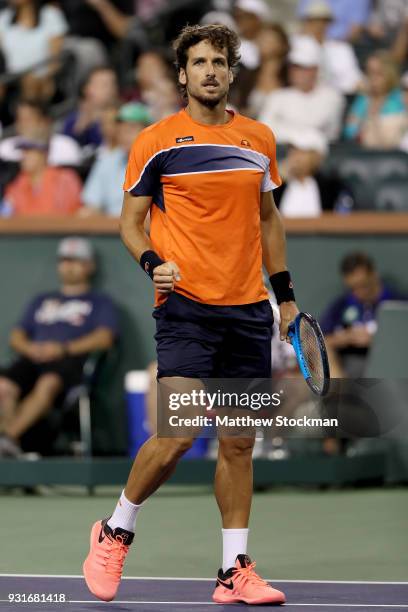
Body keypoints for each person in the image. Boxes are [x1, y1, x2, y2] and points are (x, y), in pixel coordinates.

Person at [83, 23, 299, 605]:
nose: (209, 70)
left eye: (219, 62)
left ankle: (234, 570)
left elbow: (269, 221)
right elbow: (130, 224)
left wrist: (286, 297)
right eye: (199, 61)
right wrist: (153, 261)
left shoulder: (258, 139)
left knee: (237, 443)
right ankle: (116, 528)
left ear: (232, 73)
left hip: (249, 310)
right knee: (177, 432)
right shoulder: (155, 141)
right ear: (182, 74)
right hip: (184, 308)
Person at [0, 237, 118, 456]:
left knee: (48, 382)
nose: (69, 265)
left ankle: (8, 440)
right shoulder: (42, 299)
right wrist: (30, 349)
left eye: (76, 260)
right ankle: (10, 445)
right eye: (64, 260)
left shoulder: (99, 302)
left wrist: (62, 349)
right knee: (4, 385)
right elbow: (17, 335)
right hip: (33, 359)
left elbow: (104, 338)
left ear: (89, 266)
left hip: (70, 364)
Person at [320, 252, 406, 378]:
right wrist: (347, 337)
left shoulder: (397, 303)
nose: (358, 292)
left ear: (374, 275)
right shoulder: (342, 304)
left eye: (363, 285)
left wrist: (376, 340)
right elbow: (321, 339)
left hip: (388, 366)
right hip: (348, 368)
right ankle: (340, 395)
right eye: (353, 288)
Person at [259, 34, 344, 143]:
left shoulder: (332, 97)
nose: (297, 72)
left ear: (316, 70)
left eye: (304, 68)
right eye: (294, 67)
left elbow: (327, 132)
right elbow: (264, 132)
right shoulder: (277, 96)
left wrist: (285, 129)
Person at [81, 102, 152, 216]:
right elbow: (91, 205)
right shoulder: (106, 162)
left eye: (131, 128)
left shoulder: (163, 164)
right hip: (111, 229)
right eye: (121, 128)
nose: (124, 134)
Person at [0, 0, 68, 100]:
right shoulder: (4, 18)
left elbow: (55, 60)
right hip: (11, 81)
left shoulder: (51, 15)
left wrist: (45, 78)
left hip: (42, 79)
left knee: (32, 83)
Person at [273, 128, 351, 217]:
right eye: (293, 150)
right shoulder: (278, 187)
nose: (295, 156)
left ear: (316, 157)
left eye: (302, 152)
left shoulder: (332, 188)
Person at [295, 0, 363, 94]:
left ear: (329, 23)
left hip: (338, 95)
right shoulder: (297, 45)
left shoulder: (342, 48)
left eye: (323, 20)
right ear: (307, 22)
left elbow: (354, 78)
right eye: (314, 20)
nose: (319, 25)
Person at [1, 137, 81, 216]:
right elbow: (5, 214)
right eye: (23, 152)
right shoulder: (18, 183)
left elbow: (71, 214)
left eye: (28, 152)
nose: (24, 157)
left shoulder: (64, 179)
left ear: (43, 154)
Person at [343, 50, 407, 149]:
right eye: (369, 73)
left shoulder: (401, 98)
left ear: (390, 73)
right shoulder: (363, 99)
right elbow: (350, 131)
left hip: (396, 153)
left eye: (379, 73)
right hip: (365, 151)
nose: (373, 78)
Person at [0, 98, 82, 167]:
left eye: (28, 119)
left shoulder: (66, 146)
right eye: (19, 119)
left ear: (45, 122)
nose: (22, 124)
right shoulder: (5, 149)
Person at [62, 66, 119, 150]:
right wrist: (80, 129)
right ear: (87, 89)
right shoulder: (73, 120)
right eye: (104, 84)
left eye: (112, 84)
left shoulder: (124, 115)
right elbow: (66, 148)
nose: (109, 89)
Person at [298, 0, 371, 42]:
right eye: (314, 20)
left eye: (325, 20)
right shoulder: (301, 46)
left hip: (342, 42)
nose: (319, 25)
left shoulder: (342, 50)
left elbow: (356, 28)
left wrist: (336, 44)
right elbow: (302, 23)